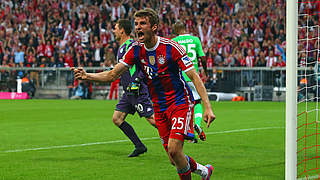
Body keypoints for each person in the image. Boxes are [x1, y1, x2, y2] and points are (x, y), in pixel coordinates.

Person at [71, 8, 215, 180]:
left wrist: (207, 107)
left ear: (154, 27)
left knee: (175, 150)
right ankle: (204, 171)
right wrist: (87, 75)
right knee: (173, 158)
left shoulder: (171, 47)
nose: (138, 27)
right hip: (159, 108)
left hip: (179, 103)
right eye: (136, 24)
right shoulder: (135, 50)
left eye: (143, 23)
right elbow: (112, 74)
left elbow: (194, 76)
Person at [111, 19, 156, 157]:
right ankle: (139, 146)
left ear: (122, 30)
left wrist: (137, 79)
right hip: (128, 92)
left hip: (137, 90)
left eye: (116, 28)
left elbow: (145, 62)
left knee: (153, 120)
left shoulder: (133, 45)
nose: (114, 31)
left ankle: (178, 134)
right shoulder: (122, 47)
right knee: (117, 118)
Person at [173, 21, 207, 143]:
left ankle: (187, 131)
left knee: (183, 105)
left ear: (176, 30)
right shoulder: (195, 39)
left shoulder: (174, 41)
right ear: (185, 28)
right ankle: (196, 124)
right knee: (197, 102)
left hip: (179, 77)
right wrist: (206, 72)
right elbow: (202, 57)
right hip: (193, 76)